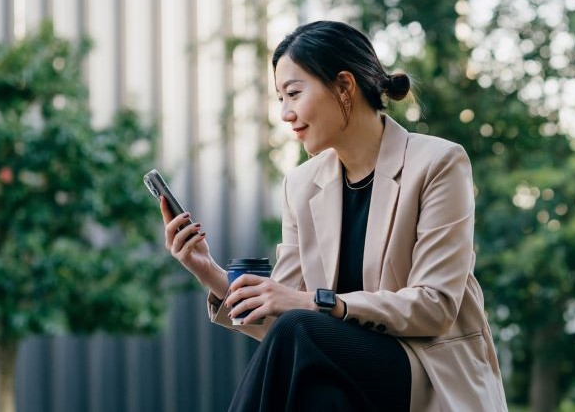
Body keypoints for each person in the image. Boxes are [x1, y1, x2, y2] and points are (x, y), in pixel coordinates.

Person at [160, 20, 508, 411]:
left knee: (302, 330)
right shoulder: (302, 184)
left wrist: (321, 303)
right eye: (279, 98)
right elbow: (281, 326)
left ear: (344, 86)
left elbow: (435, 306)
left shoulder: (438, 163)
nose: (285, 114)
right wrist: (209, 272)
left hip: (424, 369)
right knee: (315, 392)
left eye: (293, 93)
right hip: (342, 374)